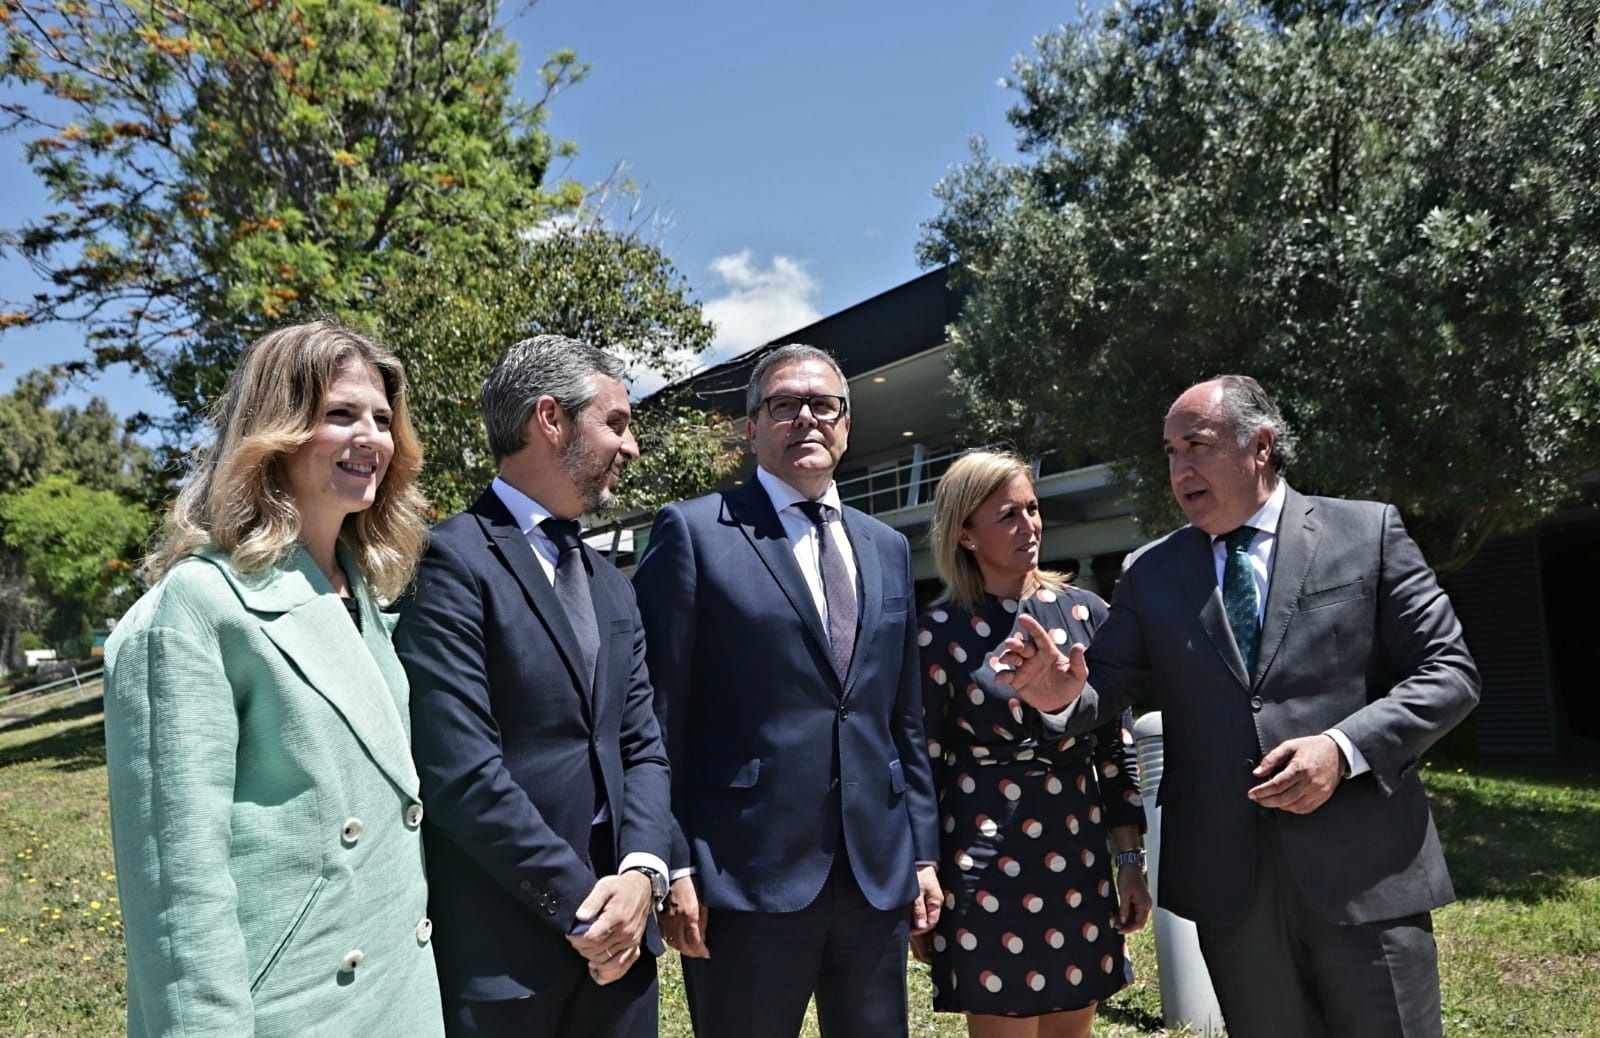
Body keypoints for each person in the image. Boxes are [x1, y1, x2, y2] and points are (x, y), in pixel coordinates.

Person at [991, 376, 1480, 1038]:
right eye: (1169, 453)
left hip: (1367, 874)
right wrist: (1058, 698)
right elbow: (1103, 688)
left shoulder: (1366, 532)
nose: (1179, 469)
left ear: (1262, 445)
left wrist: (1341, 750)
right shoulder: (1150, 571)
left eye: (1196, 445)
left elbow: (1448, 673)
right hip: (1232, 888)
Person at [103, 321, 442, 1036]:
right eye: (340, 414)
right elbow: (178, 896)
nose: (373, 437)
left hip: (400, 995)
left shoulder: (367, 599)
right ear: (275, 432)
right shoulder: (193, 610)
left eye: (383, 419)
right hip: (294, 1011)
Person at [633, 343, 942, 1037]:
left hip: (873, 874)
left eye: (823, 404)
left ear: (847, 423)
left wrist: (922, 854)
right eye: (784, 404)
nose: (806, 417)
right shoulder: (693, 533)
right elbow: (656, 716)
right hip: (743, 876)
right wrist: (674, 861)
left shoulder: (887, 547)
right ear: (752, 427)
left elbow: (903, 720)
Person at [396, 335, 671, 1038]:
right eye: (616, 421)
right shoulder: (450, 561)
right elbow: (460, 772)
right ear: (551, 419)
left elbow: (643, 746)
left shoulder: (613, 583)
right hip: (510, 959)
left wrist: (642, 878)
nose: (630, 447)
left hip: (624, 950)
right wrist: (589, 910)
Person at [912, 451, 1151, 1038]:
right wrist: (920, 873)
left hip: (1078, 858)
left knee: (1072, 1029)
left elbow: (1113, 749)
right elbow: (923, 765)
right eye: (1008, 515)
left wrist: (1130, 862)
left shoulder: (1086, 614)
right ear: (965, 534)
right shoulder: (936, 634)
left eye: (1033, 510)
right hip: (982, 865)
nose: (1031, 527)